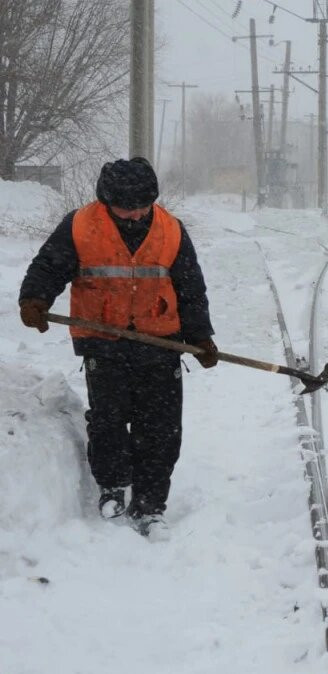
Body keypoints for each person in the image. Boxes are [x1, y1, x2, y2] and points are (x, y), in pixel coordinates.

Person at [18, 157, 218, 535]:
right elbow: (49, 265)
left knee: (160, 428)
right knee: (109, 422)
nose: (134, 214)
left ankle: (150, 505)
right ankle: (112, 488)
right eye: (126, 207)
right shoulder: (80, 225)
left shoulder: (171, 230)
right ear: (106, 200)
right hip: (102, 341)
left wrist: (201, 336)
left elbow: (190, 288)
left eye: (142, 205)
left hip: (159, 342)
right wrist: (35, 299)